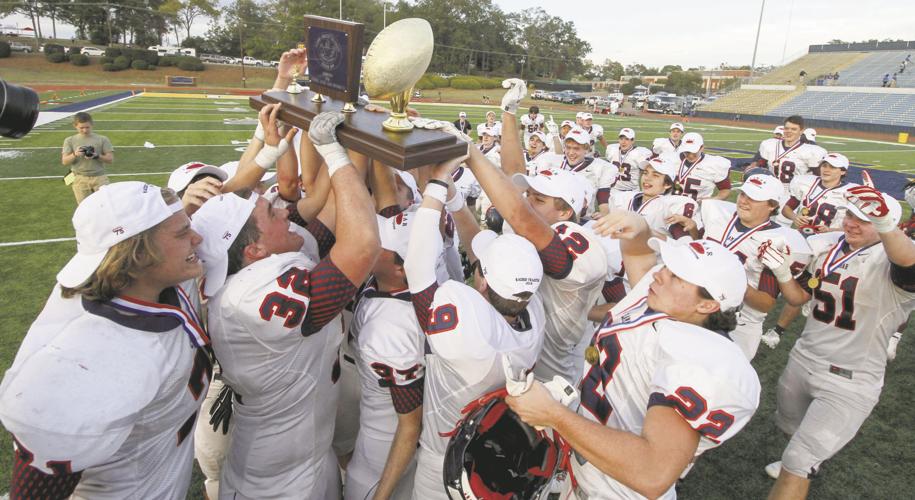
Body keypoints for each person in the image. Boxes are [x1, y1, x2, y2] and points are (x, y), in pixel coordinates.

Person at [506, 211, 760, 500]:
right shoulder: (664, 300)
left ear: (708, 306)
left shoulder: (703, 363)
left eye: (676, 275)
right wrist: (639, 228)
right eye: (668, 265)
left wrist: (554, 415)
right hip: (585, 470)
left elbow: (652, 474)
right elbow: (640, 257)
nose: (661, 273)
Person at [199, 111, 380, 500]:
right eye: (270, 213)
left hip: (307, 451)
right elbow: (362, 244)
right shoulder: (254, 294)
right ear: (254, 249)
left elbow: (332, 211)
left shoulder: (256, 260)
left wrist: (354, 144)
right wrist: (333, 151)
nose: (282, 209)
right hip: (277, 478)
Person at [0, 182, 209, 498]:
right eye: (182, 233)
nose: (197, 238)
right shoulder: (86, 361)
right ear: (137, 254)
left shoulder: (157, 285)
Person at [405, 156, 547, 499]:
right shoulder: (533, 310)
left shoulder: (468, 336)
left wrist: (436, 183)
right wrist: (453, 198)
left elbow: (417, 267)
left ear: (482, 282)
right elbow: (483, 258)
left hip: (444, 462)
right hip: (486, 454)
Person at [764, 186, 915, 500]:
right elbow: (797, 297)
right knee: (788, 427)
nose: (852, 224)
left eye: (866, 220)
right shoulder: (829, 247)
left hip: (850, 378)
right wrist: (781, 271)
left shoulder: (893, 258)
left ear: (889, 226)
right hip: (803, 358)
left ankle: (803, 464)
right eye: (850, 215)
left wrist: (885, 223)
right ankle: (806, 460)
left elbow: (908, 262)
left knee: (797, 461)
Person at [476, 78, 608, 386]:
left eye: (538, 198)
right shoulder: (532, 218)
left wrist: (588, 313)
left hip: (552, 365)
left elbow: (622, 301)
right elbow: (512, 175)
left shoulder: (578, 242)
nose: (526, 201)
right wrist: (508, 112)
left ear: (565, 212)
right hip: (517, 338)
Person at [345, 212, 425, 500]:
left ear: (401, 268)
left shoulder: (392, 330)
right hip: (372, 422)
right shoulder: (398, 285)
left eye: (382, 242)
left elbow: (409, 426)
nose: (370, 241)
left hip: (382, 447)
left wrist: (381, 495)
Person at [700, 174, 812, 359]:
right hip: (699, 307)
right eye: (743, 194)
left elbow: (765, 304)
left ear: (772, 205)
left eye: (754, 198)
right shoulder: (717, 214)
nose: (744, 201)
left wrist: (731, 281)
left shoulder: (778, 241)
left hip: (740, 322)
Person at [762, 153, 858, 350]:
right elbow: (787, 209)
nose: (826, 169)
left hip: (828, 247)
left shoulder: (850, 193)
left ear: (843, 171)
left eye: (832, 166)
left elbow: (857, 226)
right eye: (824, 164)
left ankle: (777, 331)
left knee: (805, 287)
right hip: (800, 241)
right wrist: (795, 217)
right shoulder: (805, 183)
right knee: (779, 275)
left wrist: (833, 230)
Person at [529, 126, 618, 214]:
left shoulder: (600, 167)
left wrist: (604, 214)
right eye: (568, 147)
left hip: (582, 221)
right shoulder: (550, 161)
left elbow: (603, 200)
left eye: (576, 148)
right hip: (553, 217)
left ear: (586, 149)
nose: (571, 153)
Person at [611, 155, 703, 241]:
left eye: (655, 175)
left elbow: (685, 242)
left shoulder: (669, 206)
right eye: (645, 173)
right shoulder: (623, 197)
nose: (647, 178)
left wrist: (693, 227)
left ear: (667, 184)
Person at [61, 111, 114, 203]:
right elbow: (65, 161)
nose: (85, 130)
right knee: (83, 208)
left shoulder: (102, 139)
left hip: (99, 177)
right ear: (75, 126)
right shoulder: (69, 140)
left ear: (92, 125)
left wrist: (97, 156)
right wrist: (75, 154)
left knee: (104, 206)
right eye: (81, 128)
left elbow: (110, 159)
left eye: (87, 127)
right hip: (79, 178)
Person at [674, 132, 733, 202]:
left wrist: (713, 199)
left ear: (702, 148)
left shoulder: (714, 164)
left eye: (694, 151)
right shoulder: (670, 159)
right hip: (669, 208)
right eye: (687, 152)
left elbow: (725, 190)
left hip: (697, 210)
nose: (690, 155)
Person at [607, 127, 653, 195]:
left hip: (631, 191)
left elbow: (646, 171)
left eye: (627, 139)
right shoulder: (612, 149)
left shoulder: (639, 153)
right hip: (614, 190)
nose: (623, 142)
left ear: (632, 141)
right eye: (621, 139)